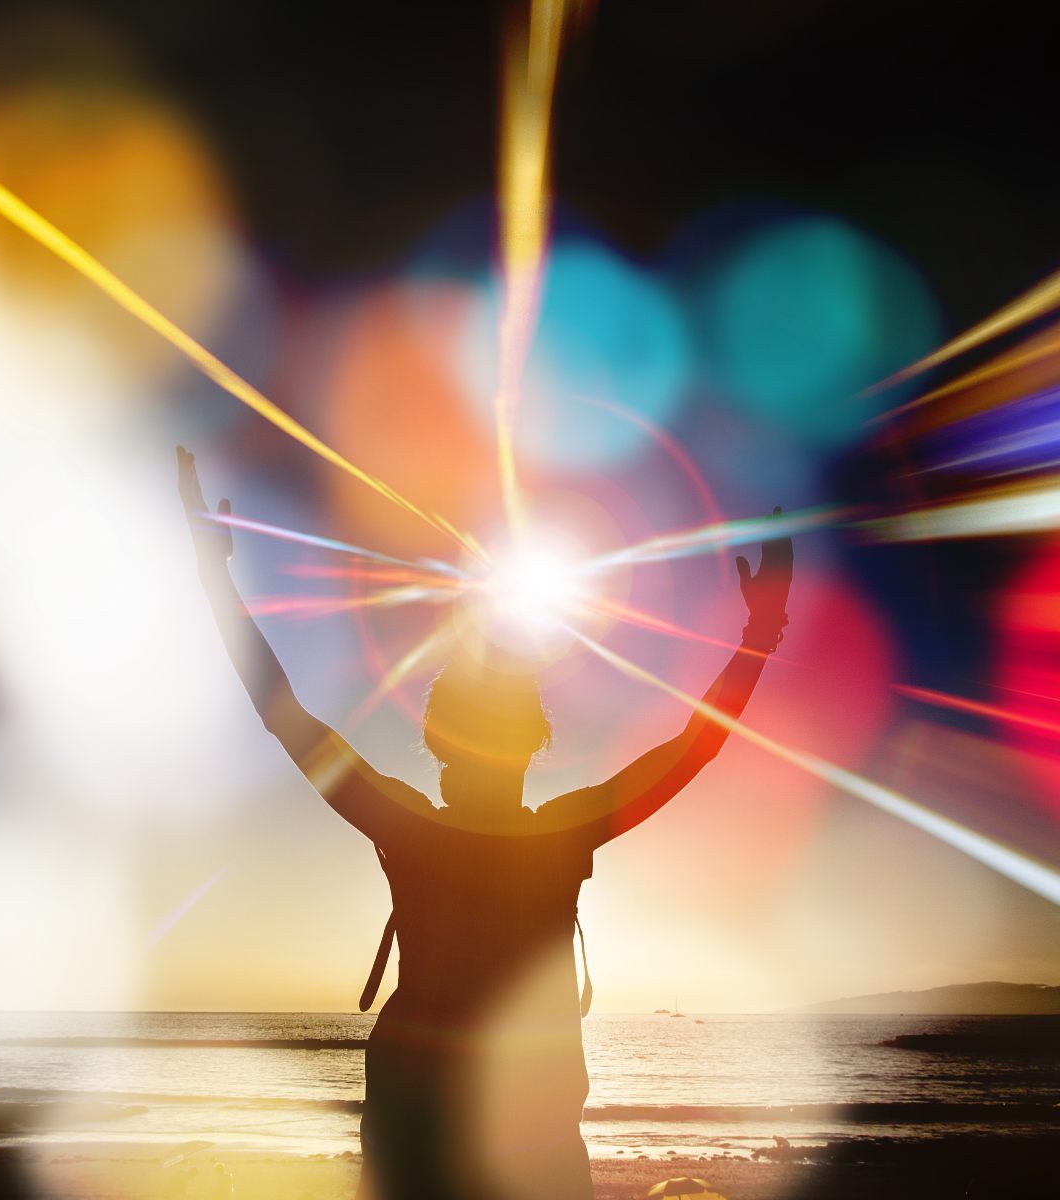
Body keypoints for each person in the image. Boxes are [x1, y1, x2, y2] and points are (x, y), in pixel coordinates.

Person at [177, 446, 793, 1200]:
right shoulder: (560, 834)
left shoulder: (410, 826)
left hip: (418, 1115)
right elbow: (692, 749)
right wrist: (759, 635)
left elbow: (284, 716)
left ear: (436, 737)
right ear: (535, 738)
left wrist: (216, 580)